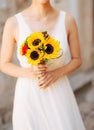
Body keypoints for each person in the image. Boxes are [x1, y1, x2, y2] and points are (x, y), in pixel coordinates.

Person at [0, 0, 86, 130]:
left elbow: (77, 59)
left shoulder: (68, 20)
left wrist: (56, 73)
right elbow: (3, 63)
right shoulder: (13, 23)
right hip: (28, 96)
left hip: (59, 92)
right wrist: (31, 72)